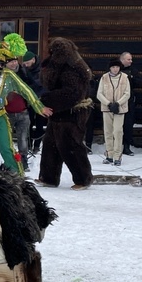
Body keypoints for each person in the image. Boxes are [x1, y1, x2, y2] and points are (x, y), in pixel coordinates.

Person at [0, 30, 50, 174]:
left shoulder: (8, 76)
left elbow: (26, 90)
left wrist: (39, 107)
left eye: (2, 63)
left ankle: (18, 181)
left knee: (8, 150)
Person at [35, 37, 94, 190]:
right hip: (59, 112)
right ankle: (48, 177)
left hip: (72, 112)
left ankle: (83, 178)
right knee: (50, 146)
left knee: (71, 145)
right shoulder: (60, 64)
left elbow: (73, 93)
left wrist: (47, 99)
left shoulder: (71, 69)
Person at [96, 58, 131, 166]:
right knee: (108, 132)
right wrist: (109, 103)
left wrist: (117, 103)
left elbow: (127, 93)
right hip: (107, 108)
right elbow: (99, 94)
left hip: (120, 109)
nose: (115, 69)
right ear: (110, 68)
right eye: (113, 67)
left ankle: (117, 156)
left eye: (117, 67)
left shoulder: (125, 77)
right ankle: (109, 155)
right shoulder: (104, 77)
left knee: (117, 131)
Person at [5, 56, 33, 171]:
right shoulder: (2, 75)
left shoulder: (23, 72)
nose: (13, 64)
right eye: (10, 61)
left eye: (15, 61)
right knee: (6, 139)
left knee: (22, 138)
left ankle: (23, 160)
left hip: (22, 111)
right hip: (7, 113)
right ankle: (9, 160)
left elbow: (33, 87)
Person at [119, 51, 142, 156]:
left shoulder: (133, 70)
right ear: (122, 60)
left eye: (131, 59)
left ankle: (127, 146)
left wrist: (131, 79)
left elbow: (139, 82)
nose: (131, 61)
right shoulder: (115, 68)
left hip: (129, 101)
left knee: (128, 124)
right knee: (117, 126)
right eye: (129, 59)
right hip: (116, 101)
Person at [22, 51, 46, 154]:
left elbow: (41, 85)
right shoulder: (25, 70)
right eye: (25, 64)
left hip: (41, 100)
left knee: (40, 124)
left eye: (27, 63)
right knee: (29, 123)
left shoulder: (43, 70)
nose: (26, 65)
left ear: (33, 60)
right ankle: (29, 145)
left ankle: (37, 146)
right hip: (29, 101)